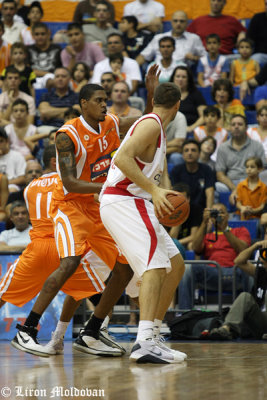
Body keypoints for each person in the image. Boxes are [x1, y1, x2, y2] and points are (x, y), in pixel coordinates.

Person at [12, 82, 145, 357]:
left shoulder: (110, 122)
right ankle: (28, 329)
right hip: (70, 208)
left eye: (106, 100)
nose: (105, 105)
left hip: (98, 208)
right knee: (70, 263)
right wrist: (108, 187)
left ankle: (93, 330)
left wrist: (153, 95)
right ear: (84, 103)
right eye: (99, 100)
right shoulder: (66, 135)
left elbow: (147, 121)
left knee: (124, 268)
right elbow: (71, 183)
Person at [0, 145, 122, 356]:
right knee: (101, 296)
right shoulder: (70, 184)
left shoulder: (30, 187)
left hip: (38, 247)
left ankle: (67, 336)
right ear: (56, 162)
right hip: (65, 248)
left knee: (3, 294)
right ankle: (93, 333)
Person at [100, 82, 187, 364]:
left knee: (175, 265)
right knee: (155, 266)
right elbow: (122, 158)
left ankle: (154, 335)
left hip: (134, 201)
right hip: (124, 199)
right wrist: (154, 190)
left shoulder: (154, 124)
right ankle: (144, 342)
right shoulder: (151, 125)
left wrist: (161, 193)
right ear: (178, 105)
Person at [179, 203, 251, 310]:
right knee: (187, 268)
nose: (218, 216)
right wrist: (204, 223)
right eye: (215, 213)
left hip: (236, 272)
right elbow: (195, 247)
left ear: (228, 215)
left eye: (221, 212)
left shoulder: (240, 230)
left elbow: (243, 249)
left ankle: (253, 311)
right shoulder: (208, 236)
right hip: (213, 274)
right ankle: (184, 313)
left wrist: (224, 228)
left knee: (251, 270)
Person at [209, 237, 267, 340]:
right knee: (245, 296)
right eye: (266, 234)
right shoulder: (261, 272)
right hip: (261, 321)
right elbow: (238, 261)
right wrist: (256, 245)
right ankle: (226, 329)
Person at [216, 114, 266, 203]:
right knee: (216, 186)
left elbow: (261, 169)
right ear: (230, 128)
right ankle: (221, 214)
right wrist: (236, 189)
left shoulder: (257, 146)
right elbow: (220, 174)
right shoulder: (223, 147)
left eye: (240, 124)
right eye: (233, 124)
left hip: (253, 180)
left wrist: (247, 184)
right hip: (231, 182)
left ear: (246, 127)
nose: (236, 127)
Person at [136, 10, 206, 67]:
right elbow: (143, 56)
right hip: (160, 76)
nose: (178, 24)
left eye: (182, 21)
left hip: (181, 77)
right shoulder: (158, 38)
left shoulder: (194, 38)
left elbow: (206, 59)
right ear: (171, 22)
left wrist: (194, 58)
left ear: (187, 23)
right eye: (175, 21)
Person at [170, 139, 215, 211]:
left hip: (201, 211)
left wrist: (208, 211)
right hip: (181, 210)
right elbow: (173, 193)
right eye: (186, 150)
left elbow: (210, 192)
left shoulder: (207, 170)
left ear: (199, 153)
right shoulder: (176, 170)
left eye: (193, 150)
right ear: (182, 154)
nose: (189, 153)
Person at [170, 66, 206, 133]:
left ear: (188, 79)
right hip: (171, 130)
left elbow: (204, 116)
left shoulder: (196, 94)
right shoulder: (167, 95)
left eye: (184, 77)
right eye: (178, 76)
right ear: (173, 78)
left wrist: (191, 128)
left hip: (191, 129)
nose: (180, 79)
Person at [169, 182, 202, 250]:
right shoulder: (166, 210)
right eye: (176, 199)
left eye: (182, 199)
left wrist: (176, 243)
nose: (179, 202)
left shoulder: (195, 209)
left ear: (188, 199)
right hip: (173, 245)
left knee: (192, 245)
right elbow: (172, 237)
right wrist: (179, 214)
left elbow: (194, 236)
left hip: (187, 243)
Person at [0, 127, 26, 191]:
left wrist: (4, 184)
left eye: (1, 141)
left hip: (11, 185)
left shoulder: (17, 156)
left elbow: (22, 178)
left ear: (7, 141)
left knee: (11, 189)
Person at [247, 2, 267, 67]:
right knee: (253, 60)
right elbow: (249, 38)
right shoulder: (257, 18)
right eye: (266, 4)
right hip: (261, 55)